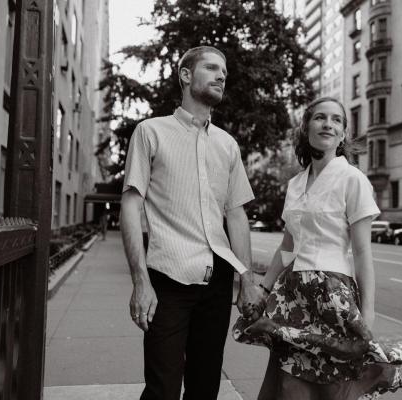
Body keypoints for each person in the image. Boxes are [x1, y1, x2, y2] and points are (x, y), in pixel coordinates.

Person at [233, 97, 402, 400]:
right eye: (320, 117)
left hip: (333, 296)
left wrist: (368, 313)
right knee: (290, 383)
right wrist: (264, 288)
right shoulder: (295, 183)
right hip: (292, 297)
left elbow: (362, 253)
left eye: (337, 120)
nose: (328, 124)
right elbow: (288, 246)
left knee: (330, 385)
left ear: (344, 134)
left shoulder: (353, 179)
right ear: (306, 127)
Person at [120, 46, 262, 400]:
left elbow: (236, 214)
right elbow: (131, 204)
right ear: (185, 75)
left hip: (216, 285)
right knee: (162, 389)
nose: (221, 76)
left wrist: (247, 281)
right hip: (167, 279)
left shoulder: (228, 145)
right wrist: (140, 280)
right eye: (211, 68)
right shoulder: (150, 132)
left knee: (204, 387)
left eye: (224, 73)